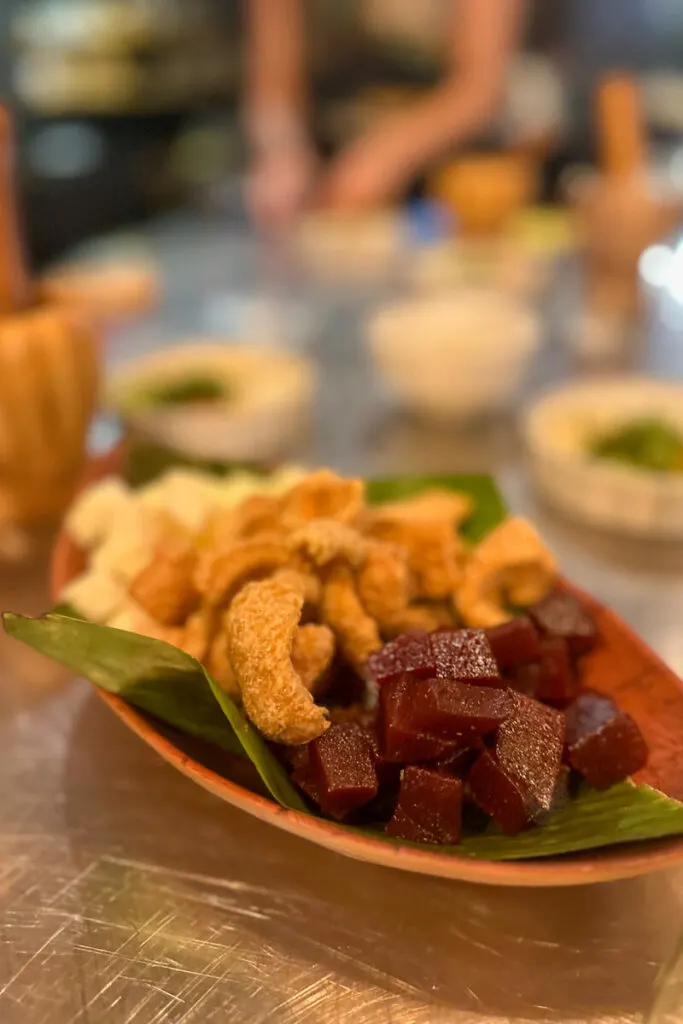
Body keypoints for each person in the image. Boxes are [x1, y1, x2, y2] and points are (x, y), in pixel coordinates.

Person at [244, 0, 526, 230]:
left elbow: (479, 90)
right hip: (327, 183)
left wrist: (381, 159)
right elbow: (274, 82)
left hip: (448, 189)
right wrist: (281, 151)